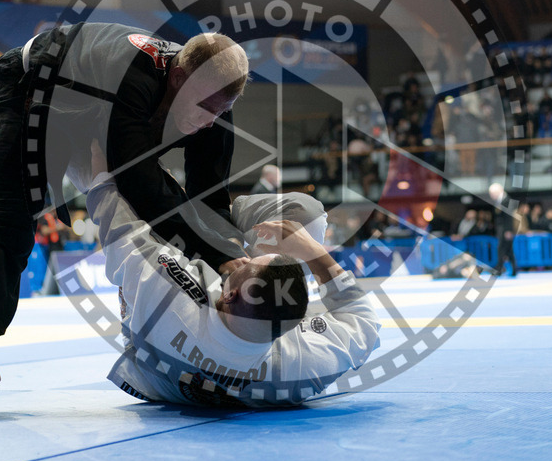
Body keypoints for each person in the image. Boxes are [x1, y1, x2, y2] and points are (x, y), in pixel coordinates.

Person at [0, 23, 251, 414]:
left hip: (90, 112)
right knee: (11, 219)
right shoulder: (133, 75)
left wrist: (232, 259)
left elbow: (210, 197)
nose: (211, 121)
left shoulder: (214, 98)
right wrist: (215, 252)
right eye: (206, 108)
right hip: (28, 92)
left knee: (157, 224)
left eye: (221, 111)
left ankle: (148, 343)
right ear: (177, 77)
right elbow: (135, 175)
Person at [85, 159, 379, 407]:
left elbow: (121, 228)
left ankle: (211, 219)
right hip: (207, 349)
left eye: (246, 264)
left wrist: (100, 173)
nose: (245, 259)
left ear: (227, 293)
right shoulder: (302, 365)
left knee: (144, 199)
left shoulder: (171, 296)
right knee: (308, 217)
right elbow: (363, 321)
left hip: (149, 345)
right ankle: (216, 221)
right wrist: (314, 250)